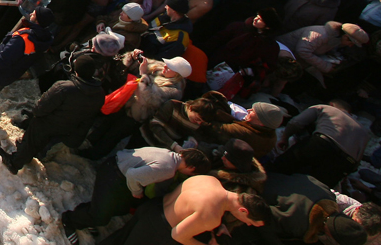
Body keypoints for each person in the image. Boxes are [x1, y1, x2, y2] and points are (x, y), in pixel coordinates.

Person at [62, 147, 211, 243]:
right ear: (191, 168)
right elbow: (133, 176)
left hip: (115, 166)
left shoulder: (169, 154)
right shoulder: (168, 168)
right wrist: (137, 192)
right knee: (101, 215)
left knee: (116, 208)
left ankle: (86, 218)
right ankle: (68, 221)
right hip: (115, 175)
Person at [0, 55, 105, 174]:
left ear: (76, 70)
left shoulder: (63, 88)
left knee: (32, 141)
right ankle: (34, 153)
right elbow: (90, 117)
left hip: (48, 122)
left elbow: (42, 107)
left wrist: (35, 114)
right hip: (70, 127)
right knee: (46, 142)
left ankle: (14, 162)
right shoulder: (99, 94)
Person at [100, 175, 269, 245]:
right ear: (244, 211)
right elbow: (178, 235)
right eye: (251, 223)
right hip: (157, 229)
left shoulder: (211, 180)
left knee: (118, 238)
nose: (248, 225)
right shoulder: (213, 216)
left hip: (152, 207)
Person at [273, 100, 371, 188]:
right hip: (345, 161)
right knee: (316, 189)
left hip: (321, 143)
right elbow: (356, 162)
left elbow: (296, 122)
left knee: (280, 168)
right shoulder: (364, 132)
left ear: (331, 104)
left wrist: (284, 138)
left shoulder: (325, 108)